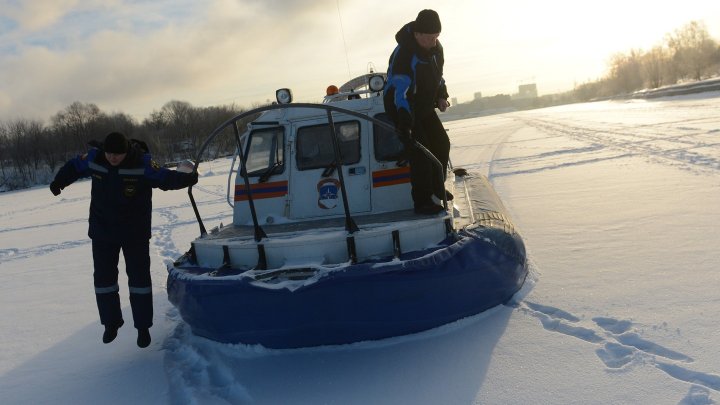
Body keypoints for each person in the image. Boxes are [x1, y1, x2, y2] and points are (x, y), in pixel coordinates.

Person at [50, 132, 198, 348]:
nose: (112, 158)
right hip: (102, 231)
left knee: (139, 281)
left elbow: (165, 178)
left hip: (134, 232)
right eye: (109, 154)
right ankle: (111, 323)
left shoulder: (142, 163)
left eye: (117, 155)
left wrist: (187, 178)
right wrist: (59, 182)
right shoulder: (95, 157)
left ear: (125, 151)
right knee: (104, 280)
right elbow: (74, 166)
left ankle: (143, 327)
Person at [384, 9, 452, 215]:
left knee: (442, 143)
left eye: (437, 37)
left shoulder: (435, 49)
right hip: (402, 105)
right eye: (431, 37)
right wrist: (404, 122)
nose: (434, 41)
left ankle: (437, 187)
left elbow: (438, 76)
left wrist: (441, 95)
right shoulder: (404, 53)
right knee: (421, 152)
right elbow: (400, 90)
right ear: (417, 34)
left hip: (422, 104)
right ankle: (422, 202)